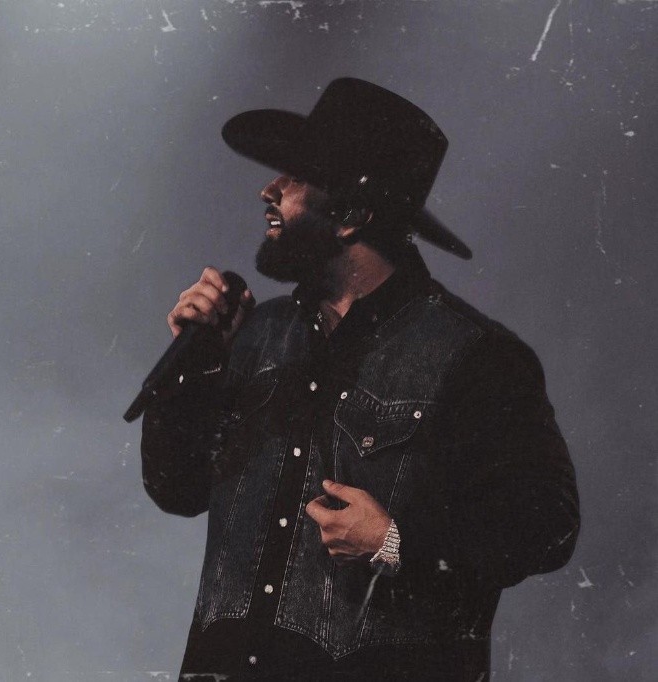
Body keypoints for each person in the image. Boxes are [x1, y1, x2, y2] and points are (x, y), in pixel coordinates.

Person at [140, 78, 580, 681]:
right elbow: (176, 490)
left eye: (294, 177)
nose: (269, 190)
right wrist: (195, 368)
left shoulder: (478, 357)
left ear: (351, 215)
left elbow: (547, 526)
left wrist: (396, 541)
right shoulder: (252, 334)